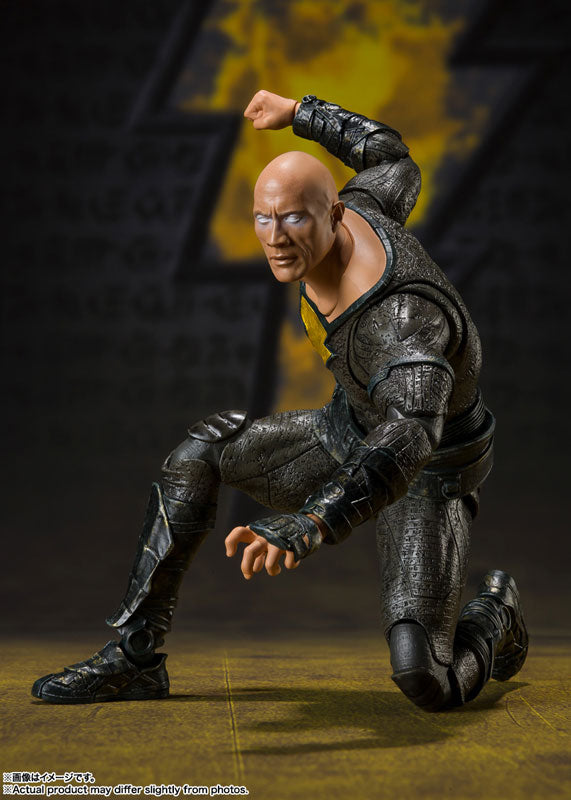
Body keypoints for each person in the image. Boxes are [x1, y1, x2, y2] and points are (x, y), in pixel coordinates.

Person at [32, 91, 528, 711]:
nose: (276, 238)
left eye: (294, 219)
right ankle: (135, 657)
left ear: (334, 215)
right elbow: (388, 154)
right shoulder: (366, 204)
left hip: (429, 470)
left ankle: (497, 615)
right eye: (264, 219)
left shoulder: (402, 321)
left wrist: (314, 521)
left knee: (426, 678)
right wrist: (297, 112)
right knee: (199, 455)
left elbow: (408, 439)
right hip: (349, 430)